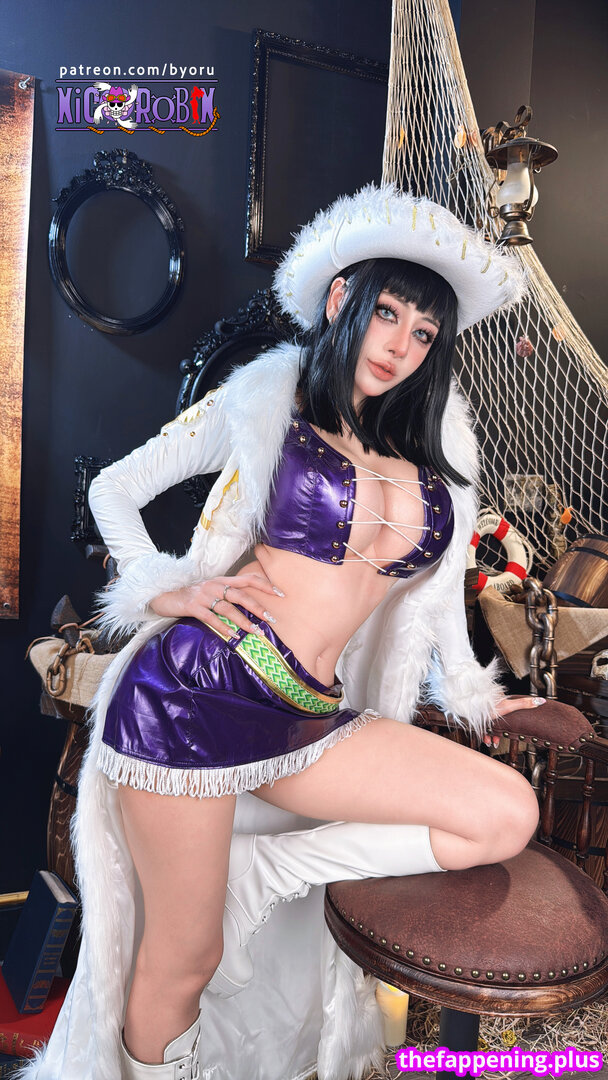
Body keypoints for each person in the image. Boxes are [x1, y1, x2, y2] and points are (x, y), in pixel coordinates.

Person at [18, 183, 542, 1080]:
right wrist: (168, 590)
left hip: (310, 716)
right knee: (183, 962)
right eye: (387, 313)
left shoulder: (432, 462)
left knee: (505, 814)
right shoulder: (269, 402)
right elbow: (113, 488)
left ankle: (266, 872)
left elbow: (436, 606)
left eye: (424, 334)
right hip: (192, 702)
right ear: (341, 300)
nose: (400, 346)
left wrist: (476, 690)